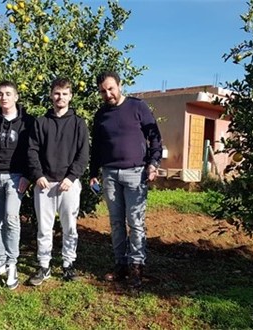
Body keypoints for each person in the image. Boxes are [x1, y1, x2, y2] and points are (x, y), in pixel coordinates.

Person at [89, 71, 162, 288]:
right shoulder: (101, 115)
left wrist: (153, 163)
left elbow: (154, 136)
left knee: (136, 222)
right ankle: (120, 264)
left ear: (120, 85)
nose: (108, 94)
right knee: (116, 222)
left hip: (135, 173)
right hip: (109, 174)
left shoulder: (138, 107)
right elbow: (97, 148)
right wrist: (93, 173)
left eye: (111, 88)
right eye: (103, 91)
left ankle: (136, 267)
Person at [27, 78, 90, 286]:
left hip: (68, 185)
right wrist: (38, 175)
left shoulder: (79, 123)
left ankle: (68, 265)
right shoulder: (41, 122)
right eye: (56, 93)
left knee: (70, 226)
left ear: (70, 96)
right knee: (44, 228)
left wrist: (71, 177)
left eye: (64, 93)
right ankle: (44, 266)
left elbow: (83, 154)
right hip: (44, 184)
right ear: (51, 95)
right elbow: (32, 151)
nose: (60, 97)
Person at [0, 81, 35, 290]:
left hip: (16, 177)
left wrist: (27, 176)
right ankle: (1, 261)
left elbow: (32, 150)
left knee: (11, 218)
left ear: (16, 97)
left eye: (8, 94)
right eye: (0, 94)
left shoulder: (28, 122)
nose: (4, 97)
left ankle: (13, 263)